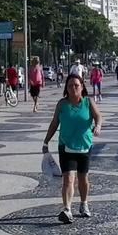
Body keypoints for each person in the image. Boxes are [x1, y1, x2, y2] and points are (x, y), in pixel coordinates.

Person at [42, 73, 103, 223]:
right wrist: (46, 142)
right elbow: (54, 123)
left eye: (76, 85)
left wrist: (98, 126)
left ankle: (84, 203)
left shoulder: (88, 102)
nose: (73, 88)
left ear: (82, 87)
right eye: (70, 85)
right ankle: (67, 209)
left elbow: (98, 116)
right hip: (66, 146)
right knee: (68, 178)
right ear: (66, 88)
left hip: (84, 146)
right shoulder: (62, 104)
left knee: (83, 178)